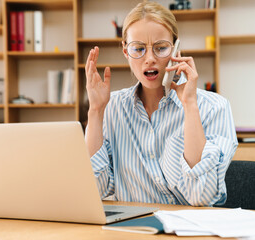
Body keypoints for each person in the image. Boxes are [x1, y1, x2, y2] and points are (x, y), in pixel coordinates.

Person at [84, 1, 238, 206]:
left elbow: (202, 196)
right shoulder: (112, 107)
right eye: (138, 48)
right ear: (125, 51)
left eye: (161, 48)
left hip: (189, 234)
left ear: (176, 48)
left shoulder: (214, 107)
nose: (149, 59)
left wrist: (190, 104)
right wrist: (95, 110)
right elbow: (96, 190)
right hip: (134, 232)